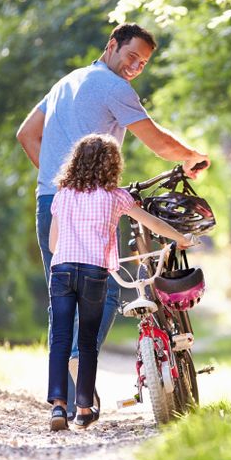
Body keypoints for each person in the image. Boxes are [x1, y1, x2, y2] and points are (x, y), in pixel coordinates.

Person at [16, 23, 209, 419]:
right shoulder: (113, 87)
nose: (135, 67)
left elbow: (26, 134)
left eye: (142, 64)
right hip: (94, 205)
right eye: (131, 57)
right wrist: (191, 156)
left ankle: (68, 402)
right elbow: (156, 141)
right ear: (111, 45)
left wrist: (64, 182)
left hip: (52, 201)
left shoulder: (68, 81)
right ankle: (76, 368)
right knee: (101, 291)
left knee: (63, 294)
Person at [47, 134, 193, 431]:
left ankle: (58, 407)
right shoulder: (115, 196)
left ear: (75, 162)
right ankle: (84, 408)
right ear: (112, 165)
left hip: (61, 269)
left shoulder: (62, 195)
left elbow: (52, 243)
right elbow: (151, 223)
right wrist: (181, 239)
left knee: (60, 340)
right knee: (86, 343)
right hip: (93, 272)